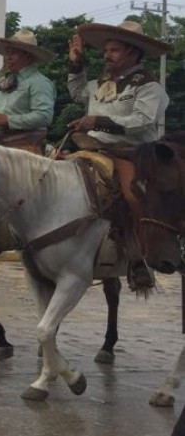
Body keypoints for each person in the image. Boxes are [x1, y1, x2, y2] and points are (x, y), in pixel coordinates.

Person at [67, 20, 171, 288]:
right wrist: (76, 65)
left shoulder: (149, 86)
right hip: (93, 148)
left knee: (133, 197)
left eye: (113, 50)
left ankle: (139, 258)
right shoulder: (102, 82)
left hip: (131, 154)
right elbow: (77, 93)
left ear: (132, 53)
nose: (106, 55)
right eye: (106, 50)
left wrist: (98, 121)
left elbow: (143, 121)